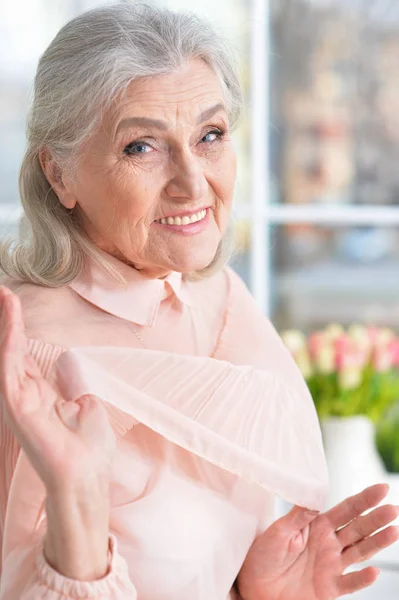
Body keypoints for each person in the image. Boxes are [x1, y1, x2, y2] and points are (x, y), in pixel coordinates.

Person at [0, 4, 398, 599]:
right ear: (59, 175)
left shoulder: (218, 300)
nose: (193, 182)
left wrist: (249, 590)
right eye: (141, 147)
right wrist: (77, 509)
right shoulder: (29, 356)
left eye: (210, 135)